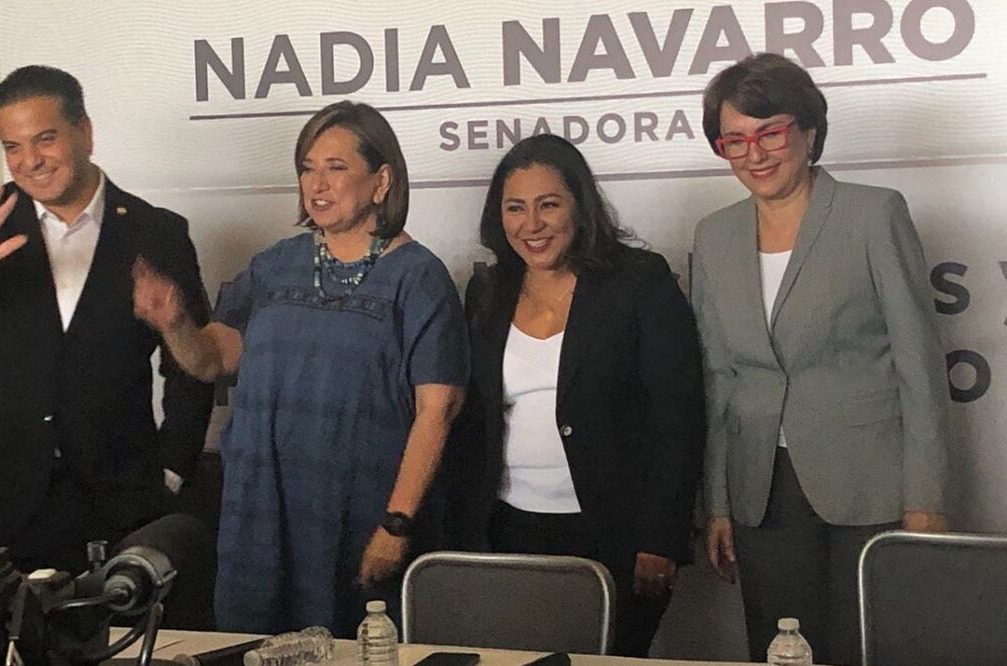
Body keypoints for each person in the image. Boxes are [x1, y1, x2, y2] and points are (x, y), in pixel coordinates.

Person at [132, 100, 469, 636]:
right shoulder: (275, 265)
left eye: (336, 168)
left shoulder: (418, 277)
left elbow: (438, 411)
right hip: (259, 513)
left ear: (382, 181)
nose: (318, 183)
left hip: (361, 517)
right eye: (307, 167)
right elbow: (211, 359)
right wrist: (174, 325)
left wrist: (396, 523)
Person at [692, 53, 950, 665]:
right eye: (735, 140)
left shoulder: (873, 213)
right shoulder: (713, 235)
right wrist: (719, 503)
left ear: (808, 130)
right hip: (762, 490)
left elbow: (920, 366)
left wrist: (927, 498)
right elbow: (717, 379)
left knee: (877, 644)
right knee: (784, 651)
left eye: (770, 132)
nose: (755, 154)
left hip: (873, 484)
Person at [0, 65, 213, 574]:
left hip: (119, 502)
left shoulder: (156, 232)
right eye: (12, 147)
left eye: (45, 140)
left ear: (85, 133)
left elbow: (191, 364)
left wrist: (172, 470)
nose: (29, 162)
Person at [445, 134, 705, 657]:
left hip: (618, 535)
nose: (531, 225)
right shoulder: (489, 292)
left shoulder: (639, 281)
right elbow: (475, 421)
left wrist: (661, 537)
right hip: (510, 528)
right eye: (515, 208)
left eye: (549, 205)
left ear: (580, 207)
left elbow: (678, 416)